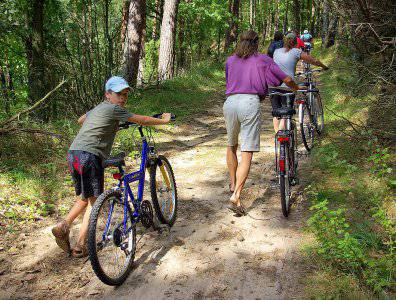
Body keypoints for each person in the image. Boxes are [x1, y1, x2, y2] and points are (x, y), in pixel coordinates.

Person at [52, 76, 172, 257]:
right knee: (95, 203)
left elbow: (80, 120)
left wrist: (107, 125)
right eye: (118, 94)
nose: (122, 98)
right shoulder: (115, 109)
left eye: (125, 95)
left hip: (74, 153)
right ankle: (71, 234)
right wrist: (164, 120)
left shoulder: (99, 108)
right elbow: (142, 120)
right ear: (108, 94)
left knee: (85, 197)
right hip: (90, 155)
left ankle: (73, 236)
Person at [224, 30, 302, 216]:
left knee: (231, 144)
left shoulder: (230, 60)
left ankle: (233, 183)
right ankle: (236, 195)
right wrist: (296, 88)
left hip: (230, 102)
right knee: (247, 151)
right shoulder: (263, 60)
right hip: (250, 102)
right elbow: (286, 79)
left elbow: (230, 82)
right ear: (256, 43)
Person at [272, 32, 328, 132]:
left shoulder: (276, 51)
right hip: (288, 85)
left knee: (276, 112)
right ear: (295, 43)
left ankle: (278, 138)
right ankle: (283, 137)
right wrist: (324, 66)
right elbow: (313, 61)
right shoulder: (296, 51)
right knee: (286, 112)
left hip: (273, 85)